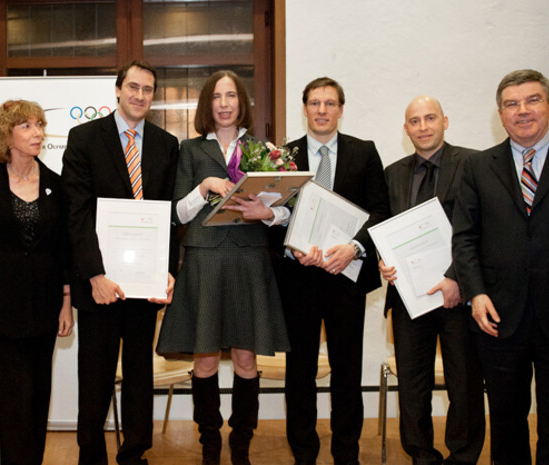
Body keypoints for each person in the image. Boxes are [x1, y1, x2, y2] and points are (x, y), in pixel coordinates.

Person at [452, 69, 549, 465]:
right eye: (511, 104)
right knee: (506, 425)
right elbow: (465, 238)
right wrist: (476, 293)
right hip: (498, 318)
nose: (522, 111)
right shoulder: (477, 167)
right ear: (500, 114)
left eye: (533, 100)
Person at [156, 69, 290, 465]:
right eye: (217, 96)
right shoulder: (191, 150)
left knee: (247, 359)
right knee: (206, 358)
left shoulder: (265, 151)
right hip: (204, 259)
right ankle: (209, 441)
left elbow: (286, 211)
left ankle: (241, 442)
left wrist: (268, 213)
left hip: (250, 258)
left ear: (241, 102)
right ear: (207, 104)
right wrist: (204, 187)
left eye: (232, 95)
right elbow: (178, 213)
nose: (225, 103)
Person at [61, 60, 179, 465]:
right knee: (94, 377)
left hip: (145, 283)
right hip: (101, 284)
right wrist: (94, 274)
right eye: (133, 87)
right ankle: (91, 456)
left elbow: (169, 216)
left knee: (139, 375)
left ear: (153, 96)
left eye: (147, 89)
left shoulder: (167, 145)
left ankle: (134, 454)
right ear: (117, 90)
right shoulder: (84, 138)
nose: (139, 95)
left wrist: (168, 271)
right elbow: (75, 213)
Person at [276, 77, 390, 465]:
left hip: (346, 278)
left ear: (341, 109)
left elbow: (380, 210)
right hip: (299, 279)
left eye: (330, 103)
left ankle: (346, 454)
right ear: (304, 108)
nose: (322, 110)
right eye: (314, 103)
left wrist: (353, 248)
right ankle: (303, 453)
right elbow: (273, 216)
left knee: (346, 374)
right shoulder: (284, 156)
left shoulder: (364, 152)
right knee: (300, 375)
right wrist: (294, 247)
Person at [378, 96, 484, 464]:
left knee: (465, 383)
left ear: (445, 121)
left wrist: (456, 278)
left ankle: (463, 456)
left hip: (458, 296)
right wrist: (383, 261)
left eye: (430, 118)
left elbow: (481, 229)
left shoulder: (473, 163)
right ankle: (421, 454)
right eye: (414, 121)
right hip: (408, 300)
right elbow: (383, 228)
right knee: (412, 383)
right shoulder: (392, 173)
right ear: (405, 128)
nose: (423, 126)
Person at [0, 99, 74, 465]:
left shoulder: (55, 185)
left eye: (40, 124)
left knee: (37, 395)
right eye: (27, 126)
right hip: (1, 305)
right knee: (13, 397)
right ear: (7, 134)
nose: (38, 133)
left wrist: (66, 302)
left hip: (46, 304)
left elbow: (64, 249)